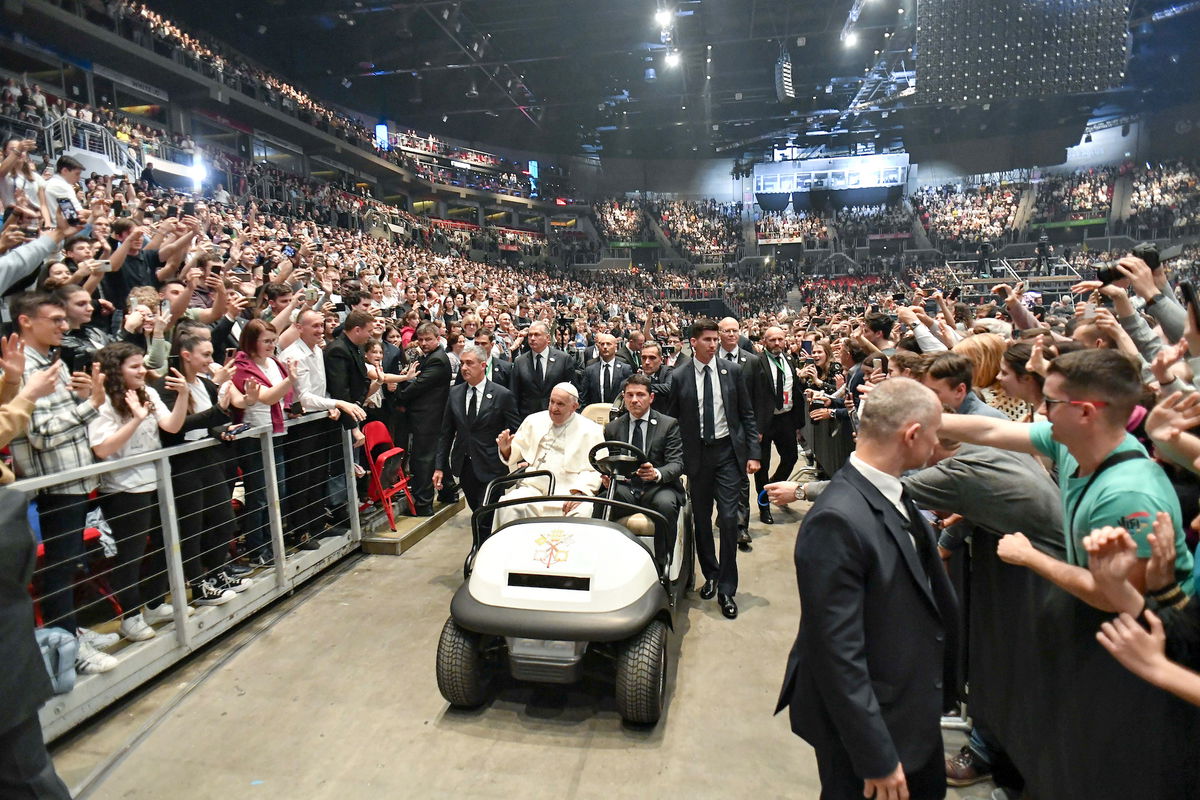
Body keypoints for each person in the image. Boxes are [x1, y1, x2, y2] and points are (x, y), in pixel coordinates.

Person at [775, 378, 958, 800]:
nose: (937, 447)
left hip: (907, 705)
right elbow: (835, 649)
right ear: (912, 435)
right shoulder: (837, 519)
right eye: (935, 434)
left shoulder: (888, 491)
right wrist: (874, 753)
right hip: (871, 724)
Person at [939, 348, 1192, 609]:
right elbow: (990, 430)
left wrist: (1031, 557)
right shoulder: (1075, 441)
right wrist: (922, 417)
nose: (1043, 412)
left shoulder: (1127, 495)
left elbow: (1121, 599)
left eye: (1051, 402)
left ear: (1085, 413)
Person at [7, 293, 118, 673]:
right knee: (59, 568)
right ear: (25, 321)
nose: (64, 325)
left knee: (67, 564)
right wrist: (91, 405)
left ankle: (69, 633)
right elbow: (41, 434)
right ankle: (67, 648)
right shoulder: (24, 370)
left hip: (71, 477)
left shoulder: (47, 363)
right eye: (54, 319)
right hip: (54, 483)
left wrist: (82, 398)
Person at [88, 342, 191, 641]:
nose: (142, 370)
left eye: (141, 364)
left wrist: (183, 395)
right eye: (134, 366)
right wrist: (135, 419)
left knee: (165, 543)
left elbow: (171, 426)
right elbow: (103, 448)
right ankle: (129, 617)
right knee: (130, 555)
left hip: (157, 480)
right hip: (123, 488)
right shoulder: (103, 401)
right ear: (116, 370)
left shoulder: (150, 392)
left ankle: (154, 603)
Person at [664, 318, 760, 620]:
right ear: (694, 342)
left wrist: (753, 453)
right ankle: (712, 574)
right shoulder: (678, 376)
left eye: (715, 340)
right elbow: (672, 421)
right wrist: (674, 459)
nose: (713, 344)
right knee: (702, 520)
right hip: (696, 457)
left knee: (729, 518)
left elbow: (746, 413)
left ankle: (727, 588)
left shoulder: (731, 371)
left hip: (727, 454)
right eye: (707, 340)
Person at [434, 345, 520, 536]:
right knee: (477, 512)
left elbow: (516, 429)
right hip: (464, 465)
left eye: (469, 363)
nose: (464, 368)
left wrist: (512, 451)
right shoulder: (455, 394)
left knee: (485, 515)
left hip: (491, 465)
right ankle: (483, 547)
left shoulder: (501, 395)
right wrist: (440, 467)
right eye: (462, 363)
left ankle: (483, 552)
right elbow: (446, 433)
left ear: (482, 365)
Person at [493, 383, 604, 527]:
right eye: (551, 402)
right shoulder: (534, 421)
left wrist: (581, 492)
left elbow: (597, 469)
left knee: (583, 511)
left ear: (574, 407)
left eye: (560, 404)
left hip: (569, 491)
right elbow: (516, 452)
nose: (553, 408)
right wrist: (506, 449)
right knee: (508, 505)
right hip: (534, 488)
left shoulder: (591, 430)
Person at [598, 374, 685, 533]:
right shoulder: (613, 428)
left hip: (658, 487)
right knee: (601, 501)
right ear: (624, 397)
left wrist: (656, 473)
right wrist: (607, 477)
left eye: (640, 395)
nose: (634, 400)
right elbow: (611, 462)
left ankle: (663, 556)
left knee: (666, 505)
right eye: (630, 395)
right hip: (625, 487)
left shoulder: (668, 425)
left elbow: (676, 464)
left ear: (651, 397)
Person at [394, 321, 452, 516]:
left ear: (438, 339)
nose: (424, 343)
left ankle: (423, 504)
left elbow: (416, 387)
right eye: (421, 340)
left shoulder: (437, 359)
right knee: (433, 457)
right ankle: (449, 492)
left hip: (429, 417)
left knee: (424, 460)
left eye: (428, 339)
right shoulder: (428, 357)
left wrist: (400, 386)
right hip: (427, 416)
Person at [751, 326, 802, 525]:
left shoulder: (789, 360)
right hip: (764, 421)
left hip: (785, 418)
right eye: (772, 340)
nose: (777, 343)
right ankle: (764, 506)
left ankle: (771, 486)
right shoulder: (756, 362)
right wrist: (755, 426)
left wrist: (798, 423)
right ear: (764, 341)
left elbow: (795, 390)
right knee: (761, 465)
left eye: (780, 339)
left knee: (791, 457)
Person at [509, 320, 577, 420]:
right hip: (528, 419)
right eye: (530, 335)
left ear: (548, 338)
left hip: (557, 417)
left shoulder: (563, 359)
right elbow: (514, 395)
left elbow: (572, 391)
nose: (532, 338)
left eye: (537, 335)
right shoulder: (520, 361)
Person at [580, 332, 631, 407]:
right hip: (595, 414)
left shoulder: (625, 369)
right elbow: (584, 397)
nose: (605, 347)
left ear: (615, 347)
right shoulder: (590, 370)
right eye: (602, 344)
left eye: (608, 344)